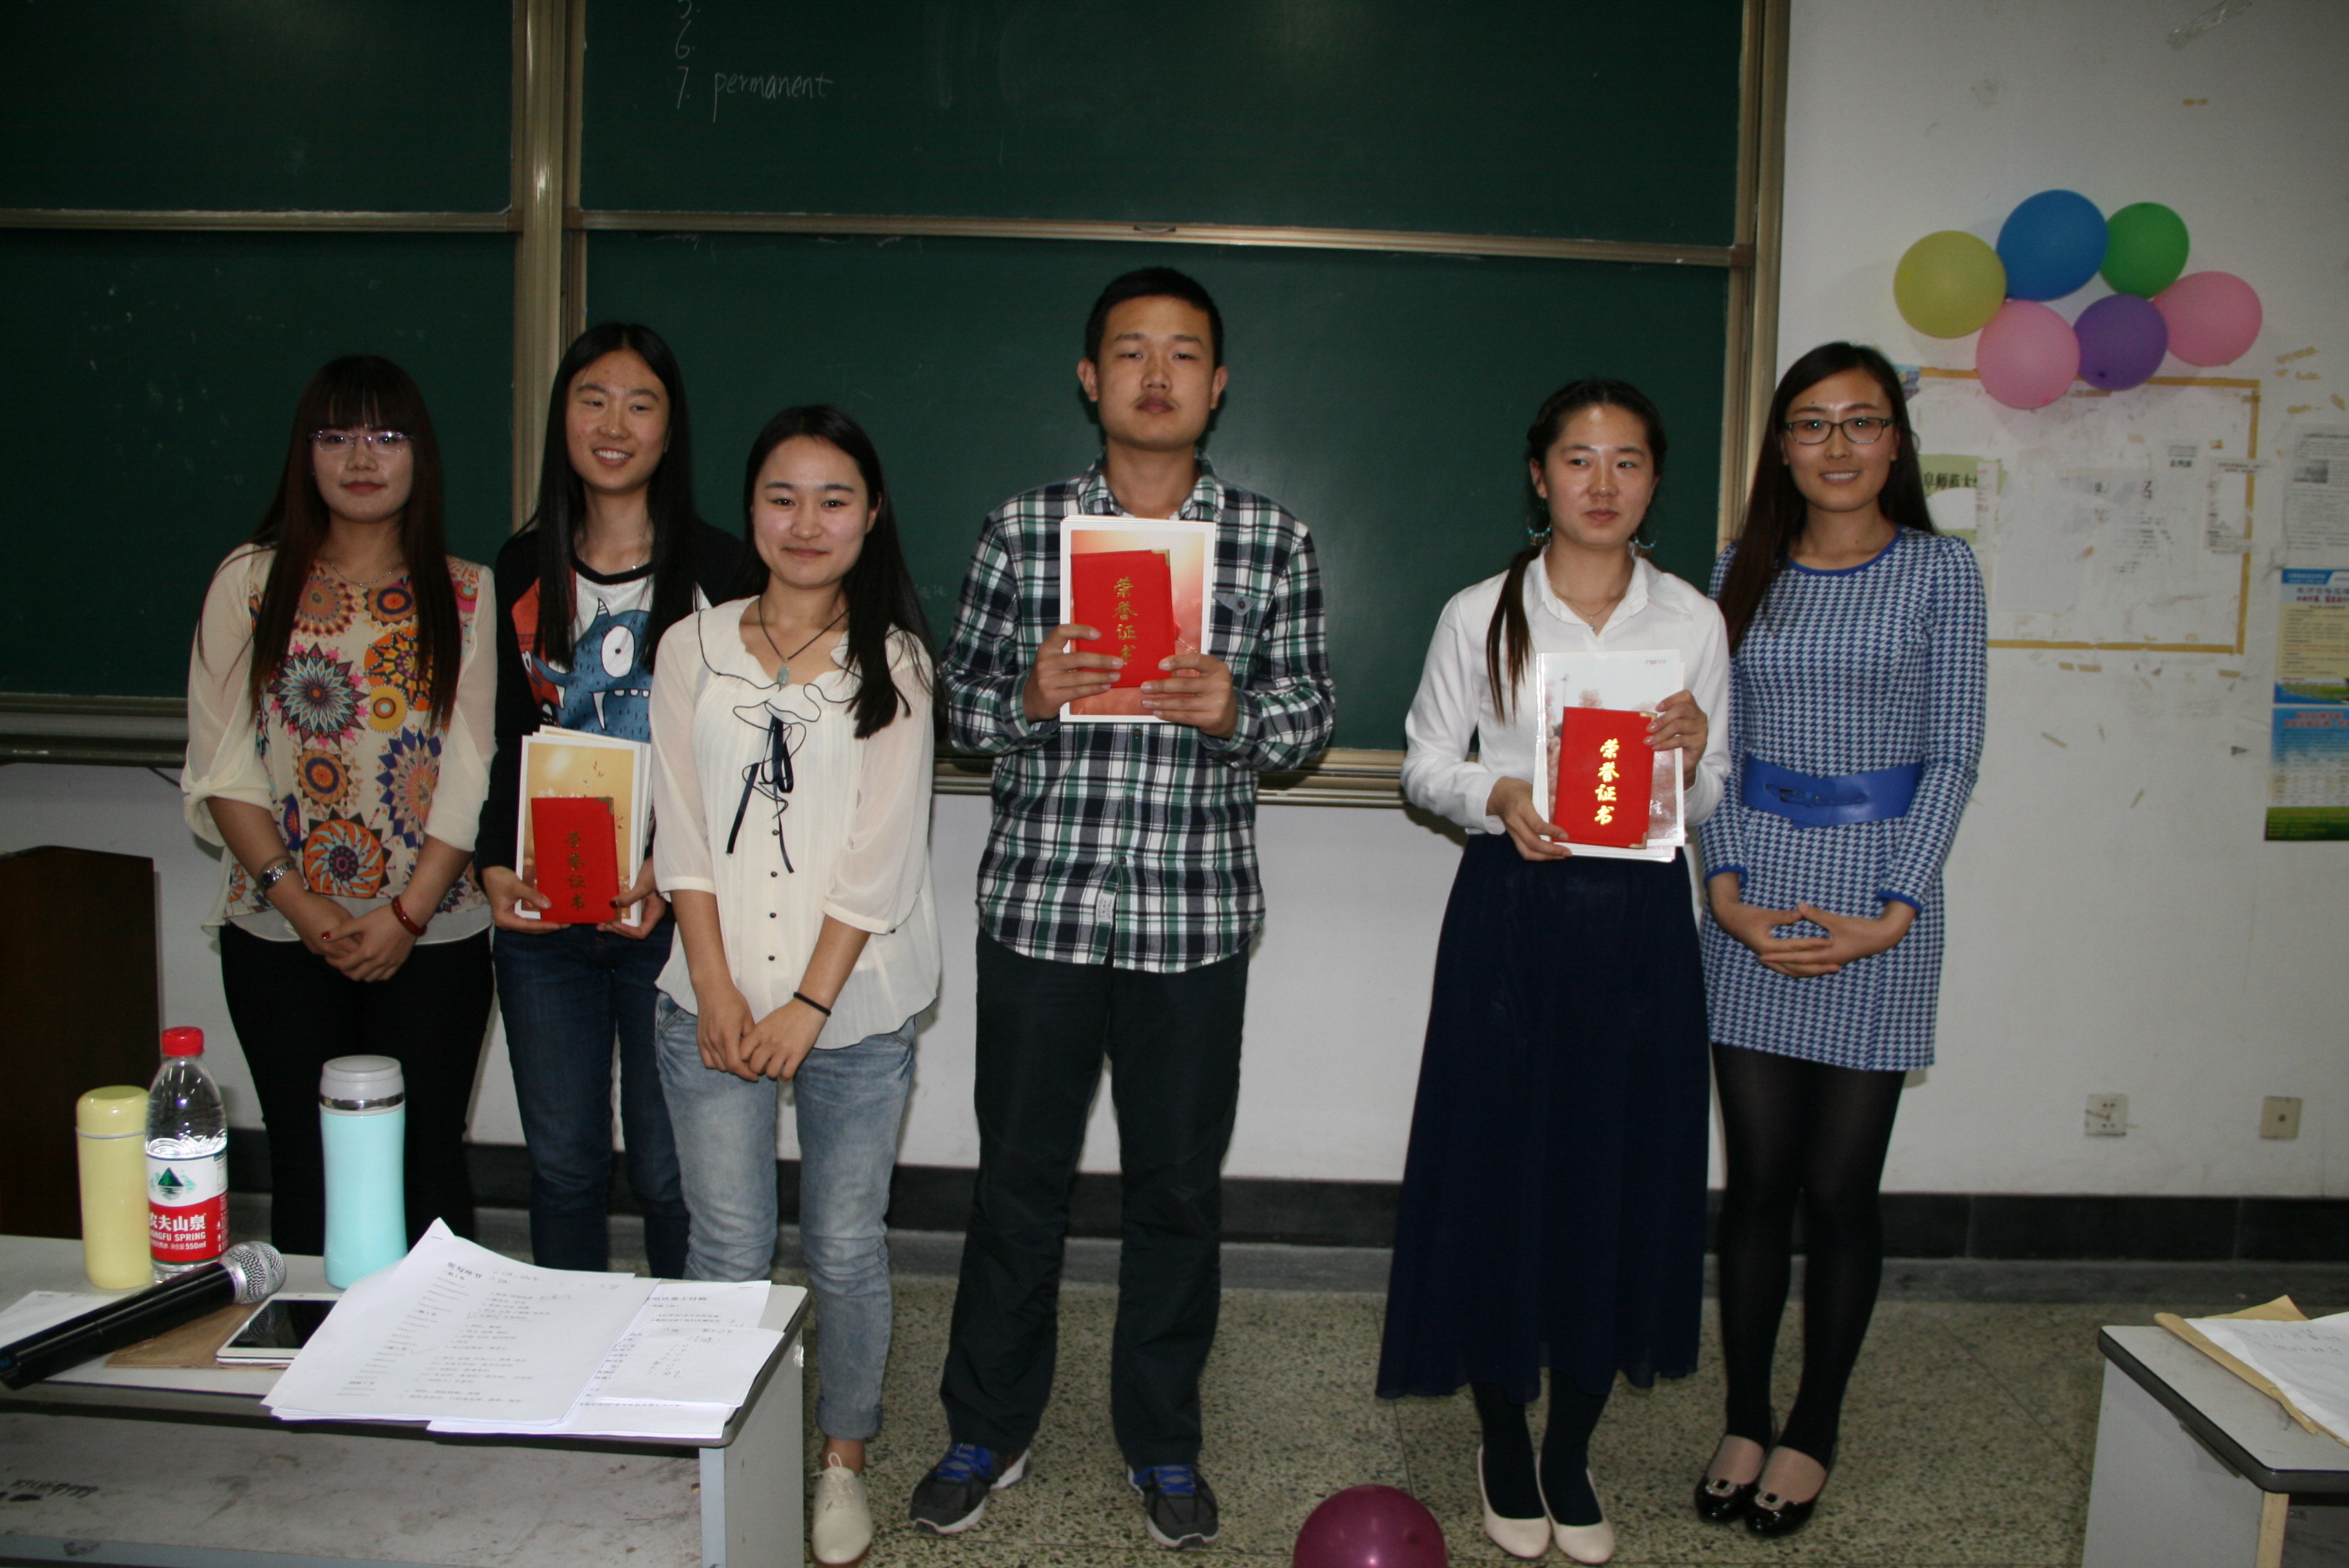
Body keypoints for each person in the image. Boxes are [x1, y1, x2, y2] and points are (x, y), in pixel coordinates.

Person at [913, 266, 1335, 1550]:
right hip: (1042, 913)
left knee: (1177, 1195)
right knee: (1016, 1187)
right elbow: (954, 704)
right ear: (1091, 378)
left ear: (1218, 384)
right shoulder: (1022, 530)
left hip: (1191, 923)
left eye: (1184, 353)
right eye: (1132, 352)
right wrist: (1027, 696)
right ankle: (987, 1425)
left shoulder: (1271, 540)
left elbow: (1308, 720)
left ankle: (1162, 1441)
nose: (1158, 376)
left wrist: (1238, 712)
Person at [1379, 381, 1729, 1565]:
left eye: (1626, 460)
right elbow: (1424, 765)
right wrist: (1499, 792)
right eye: (1578, 458)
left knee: (1613, 1174)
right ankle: (1502, 1438)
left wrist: (1695, 754)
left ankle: (1571, 1446)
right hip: (1512, 916)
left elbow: (1710, 796)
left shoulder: (1691, 620)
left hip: (1638, 928)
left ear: (1654, 480)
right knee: (1497, 1172)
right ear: (1539, 475)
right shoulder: (1480, 611)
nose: (1601, 482)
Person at [1693, 342, 1985, 1538]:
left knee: (1838, 1188)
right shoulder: (1738, 568)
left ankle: (1814, 1424)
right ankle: (1746, 1414)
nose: (1837, 445)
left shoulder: (1940, 569)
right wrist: (1722, 888)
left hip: (1880, 900)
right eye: (1811, 423)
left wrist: (1896, 909)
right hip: (1753, 895)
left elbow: (1954, 753)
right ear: (1781, 446)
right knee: (1757, 1183)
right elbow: (1707, 746)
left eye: (1861, 422)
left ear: (1895, 442)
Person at [648, 405, 938, 1568]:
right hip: (709, 997)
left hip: (854, 1009)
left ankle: (840, 1460)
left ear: (871, 516)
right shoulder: (691, 646)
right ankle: (725, 1449)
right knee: (725, 1241)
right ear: (750, 510)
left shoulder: (895, 663)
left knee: (844, 1243)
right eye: (782, 497)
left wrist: (808, 1008)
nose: (806, 522)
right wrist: (715, 988)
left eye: (833, 499)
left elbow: (879, 861)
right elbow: (680, 829)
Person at [183, 354, 495, 1254]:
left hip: (430, 931)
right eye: (336, 436)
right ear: (306, 453)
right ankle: (312, 1345)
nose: (361, 458)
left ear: (420, 455)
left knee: (428, 1167)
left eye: (386, 436)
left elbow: (470, 774)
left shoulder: (466, 593)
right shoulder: (251, 582)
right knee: (306, 1165)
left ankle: (431, 1342)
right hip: (281, 929)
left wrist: (405, 912)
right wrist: (304, 906)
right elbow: (223, 767)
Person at [475, 323, 742, 1279]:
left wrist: (674, 870)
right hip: (545, 915)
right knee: (563, 1167)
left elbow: (740, 754)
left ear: (670, 429)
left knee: (671, 1174)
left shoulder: (725, 572)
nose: (614, 425)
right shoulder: (519, 568)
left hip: (669, 916)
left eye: (640, 404)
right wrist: (492, 861)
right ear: (562, 419)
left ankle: (674, 1363)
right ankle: (566, 1357)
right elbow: (505, 733)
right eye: (592, 400)